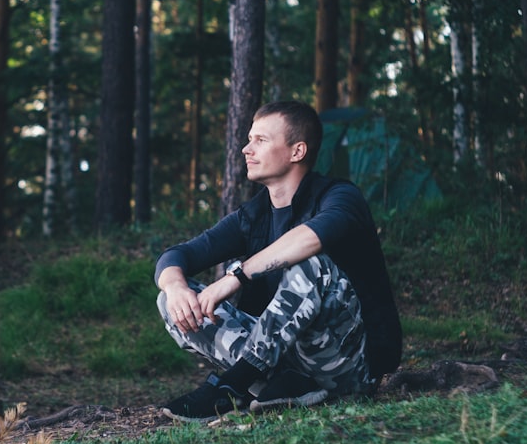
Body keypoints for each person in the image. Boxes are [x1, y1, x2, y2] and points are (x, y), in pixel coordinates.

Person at [155, 100, 402, 423]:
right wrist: (175, 287)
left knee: (313, 266)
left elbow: (310, 238)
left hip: (347, 365)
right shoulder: (254, 215)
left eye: (260, 140)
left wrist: (235, 277)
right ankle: (283, 384)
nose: (246, 149)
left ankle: (233, 386)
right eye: (248, 139)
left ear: (297, 151)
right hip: (282, 365)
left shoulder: (340, 197)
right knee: (169, 299)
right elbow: (178, 255)